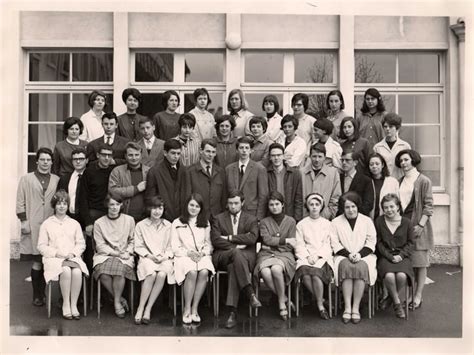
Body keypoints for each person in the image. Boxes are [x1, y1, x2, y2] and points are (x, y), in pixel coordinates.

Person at [210, 191, 261, 329]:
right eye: (230, 203)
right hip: (223, 255)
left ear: (242, 203)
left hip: (246, 256)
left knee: (234, 266)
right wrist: (236, 245)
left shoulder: (251, 219)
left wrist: (229, 238)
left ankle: (232, 312)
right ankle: (250, 292)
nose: (233, 206)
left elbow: (252, 238)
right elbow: (215, 240)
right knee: (236, 253)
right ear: (227, 204)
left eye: (236, 203)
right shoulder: (218, 218)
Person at [16, 147, 60, 306]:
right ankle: (37, 295)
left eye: (48, 160)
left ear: (52, 162)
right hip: (33, 224)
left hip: (51, 224)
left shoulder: (56, 179)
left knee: (48, 259)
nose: (45, 163)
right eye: (42, 159)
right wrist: (23, 221)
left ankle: (45, 294)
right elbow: (20, 201)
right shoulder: (26, 179)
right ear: (37, 161)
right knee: (37, 261)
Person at [37, 190, 89, 319]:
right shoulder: (47, 224)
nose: (61, 206)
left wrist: (73, 253)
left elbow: (81, 243)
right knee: (65, 270)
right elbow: (41, 246)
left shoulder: (74, 223)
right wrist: (56, 253)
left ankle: (74, 304)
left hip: (72, 257)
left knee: (77, 272)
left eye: (65, 203)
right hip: (54, 258)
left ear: (67, 206)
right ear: (54, 205)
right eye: (59, 203)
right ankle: (66, 303)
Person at [395, 149, 434, 310]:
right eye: (401, 161)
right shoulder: (399, 180)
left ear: (413, 160)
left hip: (418, 226)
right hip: (404, 226)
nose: (403, 163)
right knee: (408, 263)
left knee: (420, 263)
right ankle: (408, 295)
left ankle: (417, 296)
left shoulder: (423, 181)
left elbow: (429, 205)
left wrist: (421, 225)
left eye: (406, 160)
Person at [331, 192, 377, 324]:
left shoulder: (367, 221)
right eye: (347, 207)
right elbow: (335, 242)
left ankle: (355, 308)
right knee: (346, 266)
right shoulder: (335, 222)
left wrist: (360, 254)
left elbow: (371, 241)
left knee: (360, 266)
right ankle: (347, 307)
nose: (351, 210)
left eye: (353, 206)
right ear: (342, 208)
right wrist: (348, 254)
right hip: (343, 255)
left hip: (364, 255)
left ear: (358, 206)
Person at [171, 194, 215, 324]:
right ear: (186, 205)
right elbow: (175, 246)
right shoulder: (177, 222)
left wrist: (202, 253)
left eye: (197, 206)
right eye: (191, 205)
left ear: (201, 208)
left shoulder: (205, 223)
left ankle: (195, 309)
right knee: (191, 272)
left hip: (201, 255)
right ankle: (187, 308)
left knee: (204, 272)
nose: (194, 208)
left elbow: (209, 244)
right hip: (183, 256)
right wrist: (188, 253)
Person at [254, 192, 297, 320]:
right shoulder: (264, 222)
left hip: (284, 255)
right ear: (268, 206)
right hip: (266, 254)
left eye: (277, 204)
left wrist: (273, 244)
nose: (274, 207)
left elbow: (291, 245)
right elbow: (266, 240)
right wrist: (284, 241)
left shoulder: (291, 221)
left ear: (283, 205)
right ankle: (283, 298)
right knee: (266, 272)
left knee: (276, 269)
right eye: (271, 204)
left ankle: (281, 304)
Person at [92, 194, 136, 318]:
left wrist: (127, 252)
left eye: (117, 204)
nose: (114, 207)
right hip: (105, 255)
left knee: (119, 270)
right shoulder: (99, 223)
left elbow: (133, 240)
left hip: (125, 254)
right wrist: (115, 253)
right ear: (107, 205)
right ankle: (120, 299)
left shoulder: (129, 220)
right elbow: (100, 245)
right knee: (102, 272)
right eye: (111, 204)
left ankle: (116, 302)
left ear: (121, 205)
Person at [134, 196, 174, 325]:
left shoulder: (169, 225)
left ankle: (148, 309)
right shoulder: (141, 225)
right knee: (151, 273)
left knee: (162, 274)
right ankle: (140, 307)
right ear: (148, 209)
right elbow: (138, 246)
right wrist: (150, 256)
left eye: (160, 208)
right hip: (147, 258)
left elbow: (171, 246)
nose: (157, 211)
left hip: (164, 258)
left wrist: (164, 256)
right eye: (154, 208)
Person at [294, 193, 334, 320]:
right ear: (307, 206)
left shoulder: (327, 224)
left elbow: (328, 244)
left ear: (321, 207)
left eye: (317, 205)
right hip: (305, 257)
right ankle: (321, 299)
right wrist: (307, 256)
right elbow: (299, 244)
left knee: (316, 275)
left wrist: (317, 256)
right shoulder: (301, 224)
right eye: (311, 204)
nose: (314, 207)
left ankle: (320, 306)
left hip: (322, 257)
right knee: (305, 275)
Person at [375, 194, 415, 319]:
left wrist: (401, 256)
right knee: (389, 276)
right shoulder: (379, 221)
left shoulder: (407, 222)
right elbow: (378, 243)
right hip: (385, 256)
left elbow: (411, 243)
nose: (389, 210)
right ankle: (397, 304)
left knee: (402, 276)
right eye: (385, 207)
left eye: (392, 206)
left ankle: (391, 298)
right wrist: (389, 256)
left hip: (402, 257)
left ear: (398, 207)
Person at [225, 136, 268, 221]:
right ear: (237, 150)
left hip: (251, 214)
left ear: (251, 150)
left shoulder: (259, 169)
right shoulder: (229, 169)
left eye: (247, 148)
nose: (244, 150)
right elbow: (225, 193)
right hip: (232, 213)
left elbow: (263, 196)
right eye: (241, 148)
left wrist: (259, 218)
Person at [184, 139, 227, 219]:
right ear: (201, 151)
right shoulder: (190, 171)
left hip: (217, 218)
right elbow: (187, 196)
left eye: (213, 152)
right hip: (198, 217)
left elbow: (224, 198)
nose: (210, 155)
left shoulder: (220, 171)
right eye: (208, 151)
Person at [145, 139, 186, 222]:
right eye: (173, 153)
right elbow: (150, 198)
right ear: (165, 153)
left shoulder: (184, 171)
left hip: (181, 218)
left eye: (178, 153)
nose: (176, 156)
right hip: (162, 218)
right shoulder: (154, 171)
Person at [108, 142, 150, 222]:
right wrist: (136, 189)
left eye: (137, 155)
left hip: (145, 217)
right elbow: (112, 191)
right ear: (125, 156)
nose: (134, 158)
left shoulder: (149, 171)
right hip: (124, 216)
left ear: (141, 156)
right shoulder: (117, 171)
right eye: (130, 155)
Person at [301, 143, 341, 220]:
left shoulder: (333, 173)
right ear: (310, 157)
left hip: (324, 217)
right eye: (314, 156)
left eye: (320, 157)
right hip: (305, 217)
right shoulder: (301, 173)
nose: (317, 160)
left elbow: (336, 197)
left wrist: (328, 214)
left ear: (324, 157)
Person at [267, 143, 303, 222]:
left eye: (279, 155)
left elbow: (298, 199)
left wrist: (297, 219)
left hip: (289, 215)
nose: (276, 158)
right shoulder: (266, 173)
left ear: (283, 156)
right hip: (271, 215)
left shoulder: (295, 174)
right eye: (273, 155)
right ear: (269, 157)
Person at [373, 113, 411, 180]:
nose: (387, 129)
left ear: (397, 128)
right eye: (385, 126)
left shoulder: (405, 146)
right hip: (383, 183)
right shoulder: (377, 147)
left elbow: (410, 167)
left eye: (390, 127)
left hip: (400, 183)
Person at [57, 147, 88, 227]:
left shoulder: (92, 177)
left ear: (86, 160)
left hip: (87, 221)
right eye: (75, 159)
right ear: (72, 161)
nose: (78, 161)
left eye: (81, 159)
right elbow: (59, 199)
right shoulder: (65, 179)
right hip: (69, 218)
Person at [339, 150, 374, 216]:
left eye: (347, 160)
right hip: (340, 217)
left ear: (355, 162)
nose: (344, 163)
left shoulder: (365, 180)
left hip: (358, 218)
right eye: (342, 160)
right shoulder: (338, 178)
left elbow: (368, 204)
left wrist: (353, 214)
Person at [367, 153, 399, 219]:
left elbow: (397, 202)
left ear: (382, 165)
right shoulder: (366, 181)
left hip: (388, 219)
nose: (374, 166)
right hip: (369, 220)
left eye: (377, 164)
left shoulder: (392, 182)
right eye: (371, 164)